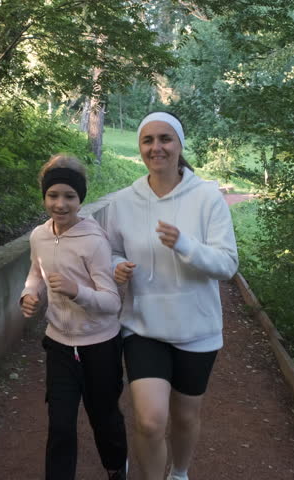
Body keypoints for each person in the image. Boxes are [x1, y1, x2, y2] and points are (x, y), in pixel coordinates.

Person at [101, 112, 239, 480]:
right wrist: (116, 266)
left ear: (179, 145)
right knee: (149, 421)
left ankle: (178, 473)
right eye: (148, 140)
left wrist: (184, 244)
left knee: (185, 416)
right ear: (140, 147)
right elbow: (112, 250)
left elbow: (227, 264)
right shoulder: (124, 201)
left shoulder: (207, 198)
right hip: (143, 326)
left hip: (198, 329)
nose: (156, 147)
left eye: (165, 138)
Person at [20, 154, 129, 480]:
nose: (60, 204)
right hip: (59, 344)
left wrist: (75, 291)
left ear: (80, 198)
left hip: (101, 344)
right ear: (44, 196)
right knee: (61, 425)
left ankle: (116, 467)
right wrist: (28, 294)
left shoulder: (94, 241)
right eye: (53, 195)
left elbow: (111, 301)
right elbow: (36, 272)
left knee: (104, 417)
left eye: (69, 196)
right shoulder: (38, 236)